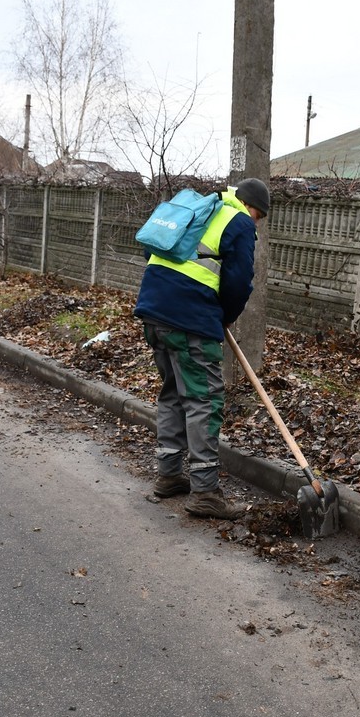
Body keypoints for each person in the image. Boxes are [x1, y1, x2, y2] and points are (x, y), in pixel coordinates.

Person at [133, 178, 271, 520]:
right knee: (203, 401)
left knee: (172, 394)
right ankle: (205, 491)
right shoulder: (237, 221)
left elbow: (153, 249)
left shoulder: (199, 208)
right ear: (251, 207)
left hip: (153, 311)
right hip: (190, 320)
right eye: (259, 216)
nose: (256, 223)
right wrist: (220, 316)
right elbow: (239, 283)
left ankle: (168, 475)